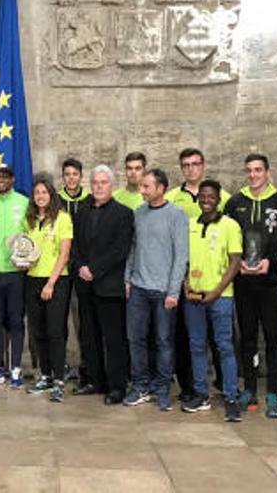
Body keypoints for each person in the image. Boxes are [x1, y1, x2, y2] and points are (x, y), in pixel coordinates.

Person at [225, 153, 277, 418]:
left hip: (271, 283)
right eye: (249, 171)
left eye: (258, 170)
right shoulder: (235, 202)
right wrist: (237, 263)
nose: (253, 175)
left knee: (274, 338)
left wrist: (272, 263)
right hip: (244, 283)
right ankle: (249, 388)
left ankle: (273, 392)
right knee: (247, 336)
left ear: (267, 172)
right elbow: (229, 239)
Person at [165, 148, 231, 402]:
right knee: (187, 337)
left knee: (220, 339)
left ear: (203, 166)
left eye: (195, 164)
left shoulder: (223, 196)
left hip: (216, 279)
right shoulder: (172, 198)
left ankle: (225, 385)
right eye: (186, 165)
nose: (191, 169)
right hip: (186, 279)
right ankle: (190, 386)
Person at [124, 168, 188, 411]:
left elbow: (181, 256)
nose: (142, 190)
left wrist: (173, 292)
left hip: (163, 291)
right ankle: (140, 386)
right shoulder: (139, 213)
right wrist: (128, 278)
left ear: (160, 189)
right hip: (138, 288)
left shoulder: (176, 215)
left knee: (163, 341)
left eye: (146, 187)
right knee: (136, 339)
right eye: (141, 186)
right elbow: (133, 248)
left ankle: (162, 389)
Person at [71, 164, 134, 404]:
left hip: (109, 286)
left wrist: (95, 269)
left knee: (113, 339)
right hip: (85, 286)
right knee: (89, 335)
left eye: (103, 183)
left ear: (111, 185)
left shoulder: (123, 213)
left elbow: (120, 250)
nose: (98, 187)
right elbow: (75, 245)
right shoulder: (82, 212)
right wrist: (81, 267)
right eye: (95, 183)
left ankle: (116, 386)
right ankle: (95, 381)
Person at [182, 179, 243, 422]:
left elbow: (235, 262)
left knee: (224, 346)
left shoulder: (230, 225)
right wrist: (185, 286)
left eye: (211, 196)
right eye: (203, 196)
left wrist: (217, 291)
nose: (206, 200)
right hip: (194, 297)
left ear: (219, 199)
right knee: (196, 346)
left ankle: (230, 396)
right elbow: (184, 261)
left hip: (220, 297)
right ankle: (200, 393)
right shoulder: (189, 225)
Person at [24, 176, 73, 403]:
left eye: (44, 192)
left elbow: (64, 254)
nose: (40, 196)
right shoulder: (30, 220)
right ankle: (45, 375)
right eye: (37, 193)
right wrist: (21, 261)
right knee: (38, 332)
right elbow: (27, 250)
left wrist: (51, 283)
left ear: (51, 195)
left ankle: (59, 380)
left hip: (56, 281)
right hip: (32, 279)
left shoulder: (63, 218)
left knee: (55, 331)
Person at [0, 164, 28, 388]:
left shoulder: (23, 202)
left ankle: (16, 368)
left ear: (12, 179)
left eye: (5, 176)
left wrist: (27, 260)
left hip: (16, 274)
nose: (1, 180)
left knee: (17, 321)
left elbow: (31, 237)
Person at [58, 158, 89, 391]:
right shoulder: (56, 200)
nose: (71, 178)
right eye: (67, 174)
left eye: (75, 174)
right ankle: (61, 365)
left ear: (81, 176)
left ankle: (86, 366)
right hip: (59, 270)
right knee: (59, 321)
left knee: (83, 320)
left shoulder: (89, 200)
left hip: (80, 269)